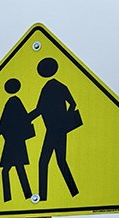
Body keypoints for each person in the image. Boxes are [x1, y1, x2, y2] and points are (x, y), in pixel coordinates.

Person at [29, 57, 80, 201]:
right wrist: (65, 120)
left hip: (53, 131)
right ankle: (73, 191)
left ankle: (43, 198)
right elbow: (73, 104)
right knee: (60, 161)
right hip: (58, 130)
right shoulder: (58, 86)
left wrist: (26, 119)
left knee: (43, 162)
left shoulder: (49, 88)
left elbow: (39, 110)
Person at [0, 78, 34, 202]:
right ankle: (24, 195)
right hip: (14, 143)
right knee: (16, 169)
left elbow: (3, 126)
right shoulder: (13, 102)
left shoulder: (13, 103)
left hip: (14, 143)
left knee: (10, 170)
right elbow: (5, 125)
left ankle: (15, 196)